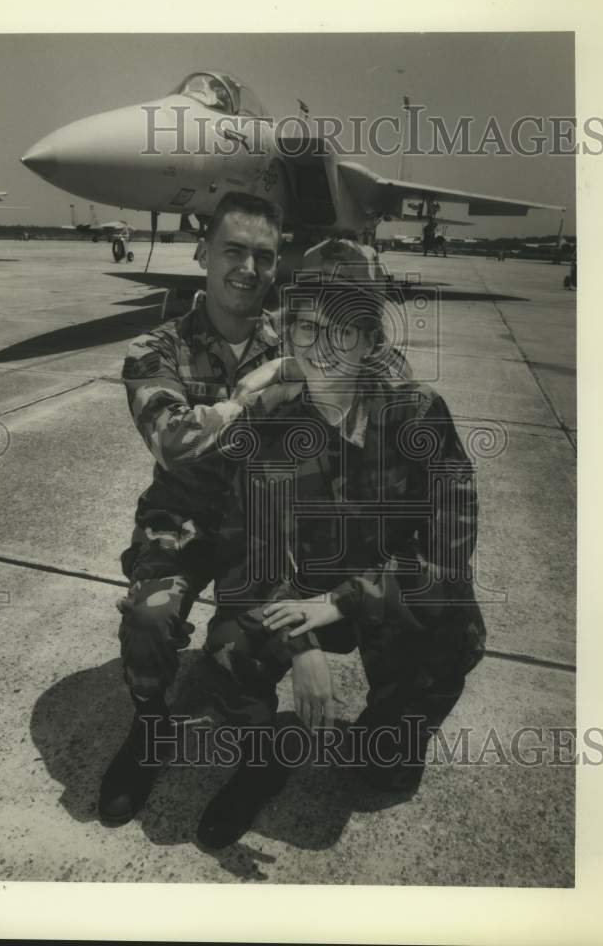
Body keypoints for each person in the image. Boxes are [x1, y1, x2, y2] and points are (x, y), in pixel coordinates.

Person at [197, 262, 486, 848]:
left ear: (371, 342)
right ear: (289, 336)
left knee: (448, 624)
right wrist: (302, 645)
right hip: (299, 592)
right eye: (305, 327)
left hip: (379, 590)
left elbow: (448, 549)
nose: (321, 345)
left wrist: (343, 601)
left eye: (342, 330)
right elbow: (251, 552)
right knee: (232, 644)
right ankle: (260, 758)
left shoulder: (416, 412)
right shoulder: (274, 424)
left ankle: (380, 738)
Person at [98, 192, 302, 825]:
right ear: (203, 253)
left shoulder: (299, 342)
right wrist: (254, 400)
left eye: (263, 256)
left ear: (275, 266)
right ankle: (151, 727)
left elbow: (370, 381)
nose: (248, 268)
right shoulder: (156, 347)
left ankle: (261, 745)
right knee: (149, 619)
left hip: (263, 526)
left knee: (243, 644)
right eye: (233, 250)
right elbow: (174, 440)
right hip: (180, 518)